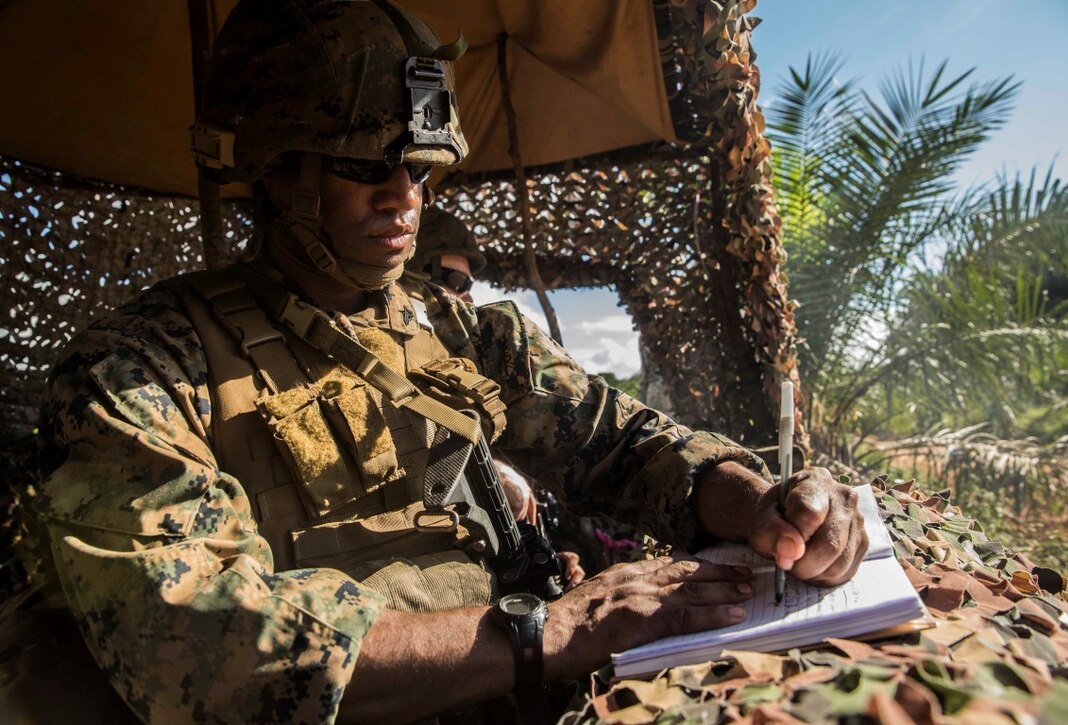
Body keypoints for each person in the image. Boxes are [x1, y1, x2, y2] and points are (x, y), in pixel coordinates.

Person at [29, 1, 867, 722]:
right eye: (365, 164)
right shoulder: (140, 372)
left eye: (422, 164)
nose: (405, 196)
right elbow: (205, 653)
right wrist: (557, 630)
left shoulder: (456, 327)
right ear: (278, 171)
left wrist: (755, 499)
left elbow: (619, 439)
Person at [406, 207, 587, 590]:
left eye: (466, 282)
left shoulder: (480, 360)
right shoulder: (388, 370)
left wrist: (554, 556)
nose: (464, 293)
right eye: (450, 279)